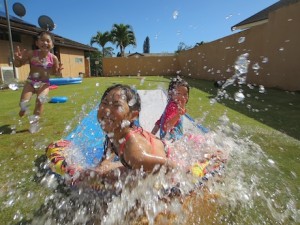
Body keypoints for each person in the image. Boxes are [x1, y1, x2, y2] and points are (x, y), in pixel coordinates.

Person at [95, 84, 177, 174]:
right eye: (104, 103)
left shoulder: (134, 151)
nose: (107, 110)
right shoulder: (114, 134)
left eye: (116, 105)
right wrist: (100, 170)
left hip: (172, 157)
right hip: (155, 154)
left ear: (133, 116)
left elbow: (170, 166)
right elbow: (104, 163)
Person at [14, 31, 63, 133]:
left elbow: (55, 73)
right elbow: (18, 65)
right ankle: (23, 109)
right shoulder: (31, 53)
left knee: (40, 101)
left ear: (52, 44)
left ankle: (34, 124)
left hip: (44, 84)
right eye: (42, 40)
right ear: (37, 43)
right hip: (31, 82)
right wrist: (17, 60)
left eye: (47, 41)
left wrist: (58, 72)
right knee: (24, 103)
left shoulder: (53, 58)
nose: (45, 43)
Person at [151, 77, 190, 141]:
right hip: (171, 142)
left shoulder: (171, 104)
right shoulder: (173, 107)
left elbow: (160, 122)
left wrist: (151, 135)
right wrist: (178, 115)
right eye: (178, 93)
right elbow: (166, 126)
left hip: (168, 140)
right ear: (170, 93)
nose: (182, 97)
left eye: (185, 94)